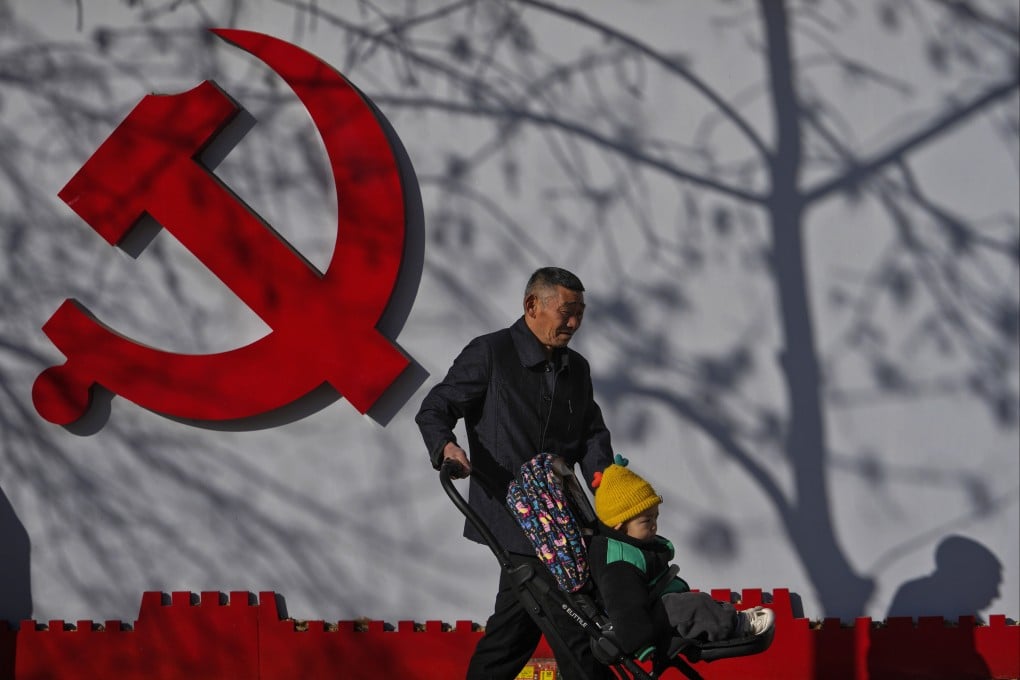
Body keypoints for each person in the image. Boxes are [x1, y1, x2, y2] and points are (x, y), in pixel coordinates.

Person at [416, 266, 614, 680]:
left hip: (561, 520)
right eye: (567, 311)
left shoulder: (576, 369)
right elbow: (436, 407)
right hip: (514, 518)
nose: (575, 323)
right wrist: (446, 446)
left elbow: (592, 438)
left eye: (581, 312)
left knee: (511, 636)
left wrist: (610, 487)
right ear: (531, 306)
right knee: (578, 632)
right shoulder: (490, 353)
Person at [589, 455, 774, 662]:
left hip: (657, 604)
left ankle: (726, 617)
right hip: (647, 620)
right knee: (692, 606)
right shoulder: (619, 564)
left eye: (656, 517)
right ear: (619, 525)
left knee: (695, 603)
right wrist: (641, 646)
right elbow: (625, 607)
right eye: (646, 520)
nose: (654, 525)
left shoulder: (632, 544)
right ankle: (740, 625)